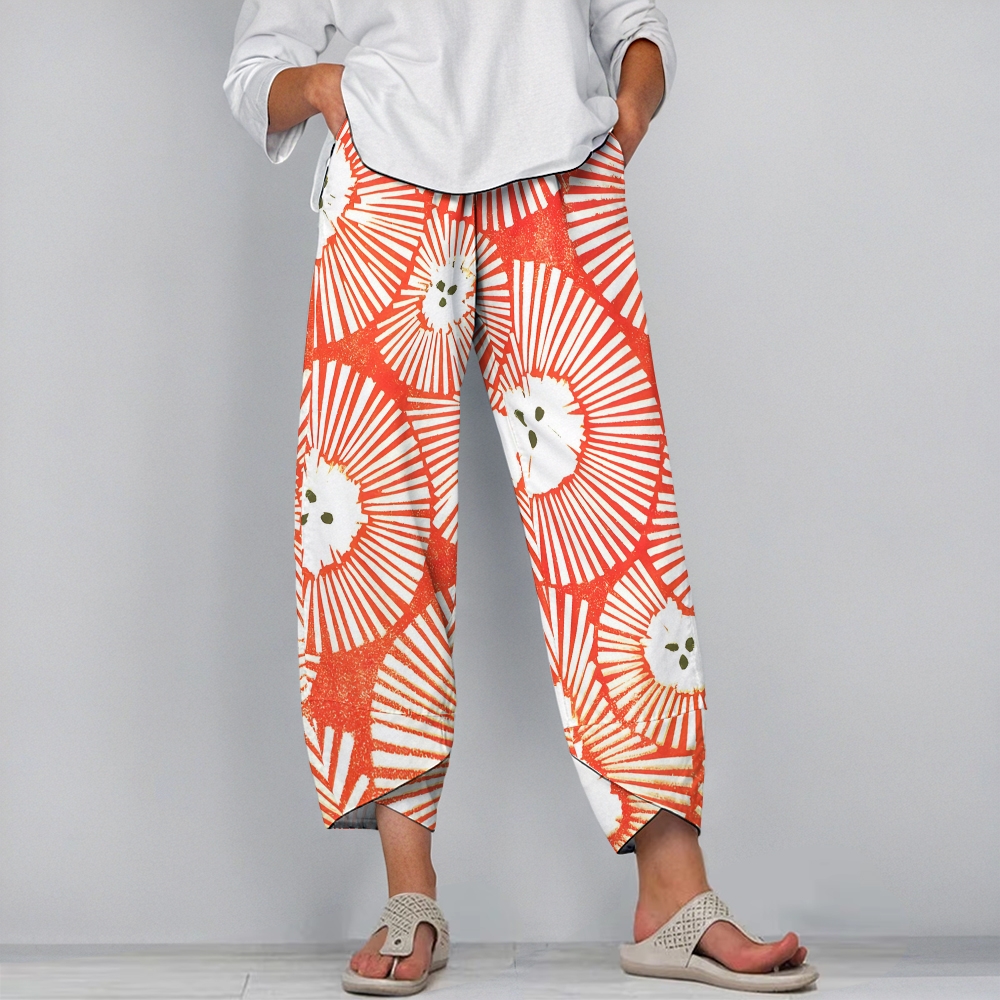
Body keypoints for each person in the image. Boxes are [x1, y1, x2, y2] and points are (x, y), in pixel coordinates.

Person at [225, 2, 818, 994]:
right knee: (375, 534)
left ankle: (672, 893)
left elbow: (633, 20)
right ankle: (409, 895)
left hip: (563, 178)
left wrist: (629, 111)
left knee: (619, 532)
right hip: (389, 190)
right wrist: (328, 87)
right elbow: (257, 70)